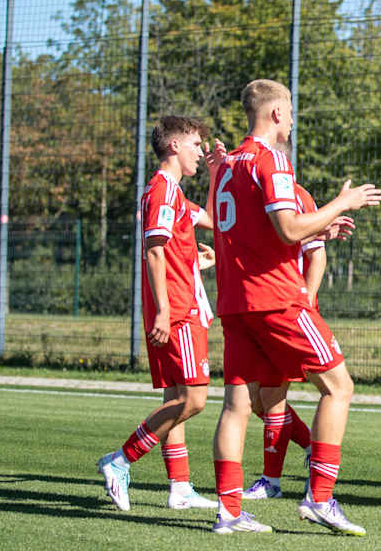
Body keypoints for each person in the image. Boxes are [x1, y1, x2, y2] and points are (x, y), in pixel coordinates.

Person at [209, 79, 381, 535]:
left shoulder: (226, 167)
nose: (292, 120)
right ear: (277, 114)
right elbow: (287, 229)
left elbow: (260, 233)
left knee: (236, 406)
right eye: (291, 111)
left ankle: (228, 513)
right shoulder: (272, 161)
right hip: (276, 298)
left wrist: (319, 230)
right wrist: (343, 202)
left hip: (235, 301)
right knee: (338, 387)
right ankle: (320, 498)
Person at [96, 116, 221, 512]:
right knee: (195, 399)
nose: (201, 152)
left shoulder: (176, 195)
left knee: (176, 397)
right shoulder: (163, 191)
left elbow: (216, 222)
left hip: (184, 303)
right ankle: (119, 461)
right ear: (174, 147)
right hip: (179, 310)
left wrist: (217, 176)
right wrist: (165, 311)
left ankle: (179, 488)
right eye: (196, 145)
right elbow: (154, 250)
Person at [242, 183, 333, 500]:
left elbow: (316, 255)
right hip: (260, 309)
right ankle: (310, 449)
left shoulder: (295, 194)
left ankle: (274, 481)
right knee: (257, 400)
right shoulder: (248, 194)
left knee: (274, 394)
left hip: (288, 310)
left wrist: (305, 301)